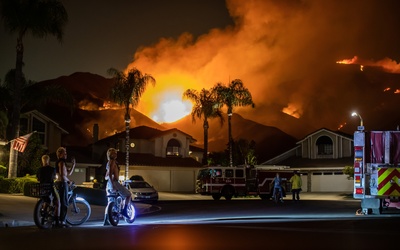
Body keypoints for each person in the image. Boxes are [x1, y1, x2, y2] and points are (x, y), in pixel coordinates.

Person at [104, 148, 132, 220]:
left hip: (108, 185)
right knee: (128, 195)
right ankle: (124, 211)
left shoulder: (108, 163)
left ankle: (106, 220)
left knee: (110, 201)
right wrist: (113, 184)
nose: (116, 154)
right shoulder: (113, 162)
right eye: (115, 153)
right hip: (114, 183)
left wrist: (111, 179)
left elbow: (106, 177)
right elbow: (110, 174)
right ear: (112, 154)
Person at [55, 147, 76, 227]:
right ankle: (62, 221)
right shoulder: (61, 163)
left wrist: (73, 165)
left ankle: (60, 220)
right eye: (64, 152)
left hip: (61, 183)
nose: (66, 154)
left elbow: (68, 173)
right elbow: (63, 176)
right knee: (64, 203)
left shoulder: (63, 162)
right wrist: (68, 181)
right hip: (62, 184)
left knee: (62, 202)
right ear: (60, 154)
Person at [37, 154, 60, 226]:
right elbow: (54, 178)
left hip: (43, 187)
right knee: (57, 201)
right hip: (50, 187)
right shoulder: (52, 169)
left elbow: (38, 179)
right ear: (48, 160)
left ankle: (43, 217)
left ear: (42, 161)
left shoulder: (39, 169)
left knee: (46, 200)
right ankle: (57, 221)